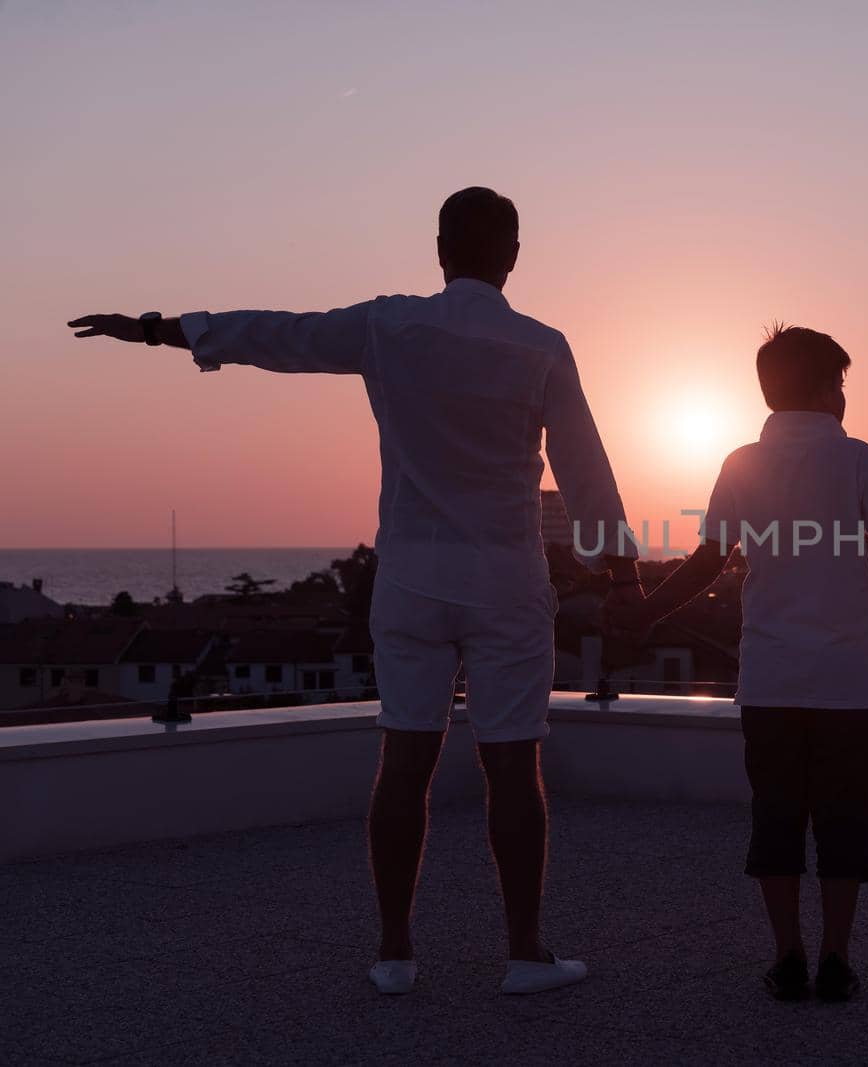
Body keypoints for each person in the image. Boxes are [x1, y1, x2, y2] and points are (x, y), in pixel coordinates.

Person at [67, 187, 642, 997]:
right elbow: (586, 466)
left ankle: (396, 954)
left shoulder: (388, 325)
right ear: (513, 253)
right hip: (505, 583)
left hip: (409, 580)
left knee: (404, 762)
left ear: (439, 248)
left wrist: (163, 328)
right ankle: (524, 954)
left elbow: (278, 334)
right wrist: (621, 568)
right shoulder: (540, 345)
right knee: (513, 770)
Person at [611, 325, 868, 1002]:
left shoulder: (740, 463)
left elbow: (706, 561)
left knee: (776, 817)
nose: (843, 395)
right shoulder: (857, 459)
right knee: (845, 821)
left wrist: (647, 611)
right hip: (847, 680)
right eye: (839, 382)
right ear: (821, 387)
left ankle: (787, 956)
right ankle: (837, 958)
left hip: (772, 677)